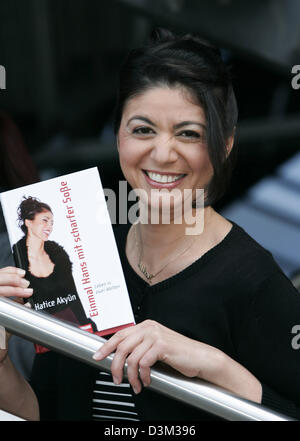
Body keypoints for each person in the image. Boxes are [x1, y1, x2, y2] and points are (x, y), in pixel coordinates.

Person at [1, 28, 300, 421]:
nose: (162, 154)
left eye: (188, 134)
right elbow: (48, 408)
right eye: (142, 129)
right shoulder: (84, 250)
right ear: (118, 135)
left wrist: (215, 365)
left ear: (225, 144)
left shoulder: (252, 280)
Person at [13, 196, 97, 332]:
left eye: (52, 223)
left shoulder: (57, 252)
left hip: (73, 324)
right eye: (45, 221)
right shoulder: (16, 255)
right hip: (42, 330)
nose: (49, 227)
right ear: (28, 222)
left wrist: (86, 326)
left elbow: (73, 295)